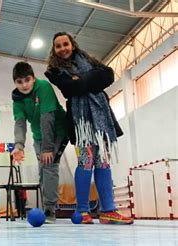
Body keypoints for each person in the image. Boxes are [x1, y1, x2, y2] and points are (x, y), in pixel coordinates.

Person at [44, 32, 133, 225]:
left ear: (72, 44)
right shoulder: (54, 70)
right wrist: (93, 79)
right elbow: (70, 89)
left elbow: (108, 75)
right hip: (80, 118)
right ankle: (82, 210)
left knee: (103, 161)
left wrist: (81, 79)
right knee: (86, 160)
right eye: (58, 46)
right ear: (54, 50)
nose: (63, 48)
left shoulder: (88, 60)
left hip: (101, 116)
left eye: (65, 44)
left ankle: (108, 210)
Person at [10, 62, 69, 223]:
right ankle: (47, 207)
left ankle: (50, 209)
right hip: (39, 136)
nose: (24, 85)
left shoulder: (43, 86)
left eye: (27, 80)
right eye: (19, 82)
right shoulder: (17, 99)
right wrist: (19, 146)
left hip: (58, 131)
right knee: (42, 169)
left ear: (33, 78)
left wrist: (48, 148)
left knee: (49, 166)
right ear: (15, 83)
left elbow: (47, 118)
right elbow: (20, 123)